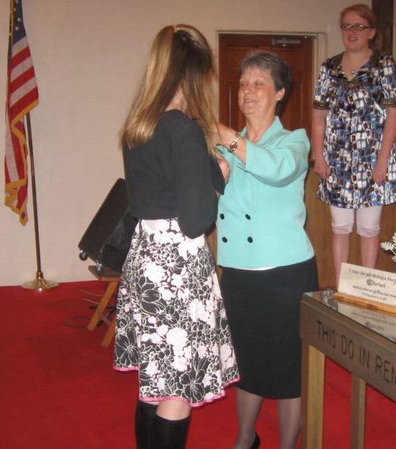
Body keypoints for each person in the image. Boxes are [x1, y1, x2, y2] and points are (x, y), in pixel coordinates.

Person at [113, 24, 239, 449]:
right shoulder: (181, 129)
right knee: (178, 388)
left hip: (146, 255)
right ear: (190, 74)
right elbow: (196, 220)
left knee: (156, 379)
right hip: (177, 265)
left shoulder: (138, 127)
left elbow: (155, 193)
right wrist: (219, 179)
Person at [214, 50, 318, 449]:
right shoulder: (223, 149)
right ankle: (245, 439)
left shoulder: (294, 141)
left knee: (290, 368)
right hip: (238, 272)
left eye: (259, 83)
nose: (248, 90)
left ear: (279, 93)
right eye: (243, 83)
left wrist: (227, 138)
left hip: (286, 274)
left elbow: (275, 170)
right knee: (247, 361)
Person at [311, 3, 396, 279]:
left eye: (359, 26)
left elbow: (394, 113)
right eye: (347, 26)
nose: (352, 32)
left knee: (368, 228)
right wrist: (319, 155)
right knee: (340, 227)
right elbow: (318, 116)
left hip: (373, 158)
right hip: (336, 160)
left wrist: (382, 161)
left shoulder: (384, 64)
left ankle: (366, 288)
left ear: (371, 32)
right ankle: (343, 289)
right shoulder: (329, 68)